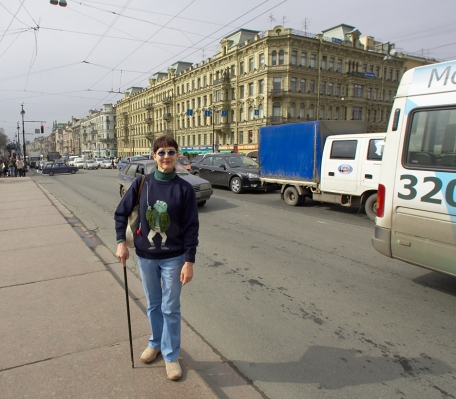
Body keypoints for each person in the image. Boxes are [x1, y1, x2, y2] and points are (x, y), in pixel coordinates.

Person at [114, 135, 199, 381]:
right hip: (146, 257)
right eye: (161, 153)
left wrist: (189, 261)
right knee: (153, 304)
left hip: (174, 257)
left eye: (171, 152)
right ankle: (156, 343)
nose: (166, 157)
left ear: (177, 155)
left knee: (170, 307)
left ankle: (171, 357)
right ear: (154, 156)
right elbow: (120, 213)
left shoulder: (184, 189)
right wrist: (121, 243)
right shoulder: (143, 183)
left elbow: (192, 227)